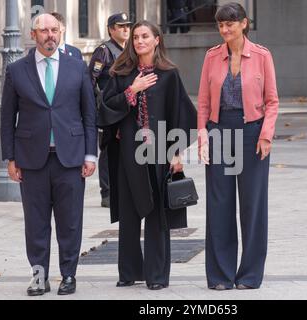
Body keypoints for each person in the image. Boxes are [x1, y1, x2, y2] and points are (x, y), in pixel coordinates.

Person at [0, 14, 97, 296]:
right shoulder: (17, 70)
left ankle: (68, 276)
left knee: (70, 222)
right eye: (44, 30)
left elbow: (89, 115)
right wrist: (10, 157)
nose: (50, 35)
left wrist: (90, 155)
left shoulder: (77, 67)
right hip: (31, 160)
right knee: (36, 223)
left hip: (70, 158)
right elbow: (7, 119)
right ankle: (39, 277)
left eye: (54, 30)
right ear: (33, 35)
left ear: (61, 32)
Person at [97, 20, 196, 290]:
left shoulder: (169, 74)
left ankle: (156, 275)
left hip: (158, 152)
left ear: (156, 40)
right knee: (129, 213)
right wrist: (132, 90)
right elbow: (104, 109)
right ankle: (129, 272)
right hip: (128, 152)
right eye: (136, 37)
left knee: (156, 214)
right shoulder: (121, 72)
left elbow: (183, 113)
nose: (139, 41)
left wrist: (177, 153)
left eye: (145, 36)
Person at [197, 3, 279, 290]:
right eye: (220, 25)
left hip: (252, 134)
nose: (224, 29)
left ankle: (250, 275)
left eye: (230, 24)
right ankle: (220, 276)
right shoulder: (211, 57)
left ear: (244, 23)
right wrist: (203, 134)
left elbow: (272, 101)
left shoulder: (261, 56)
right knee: (219, 205)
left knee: (252, 206)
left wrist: (266, 134)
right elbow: (204, 101)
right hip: (219, 132)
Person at [89, 12, 131, 208]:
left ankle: (121, 189)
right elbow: (90, 80)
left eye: (127, 26)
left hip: (125, 107)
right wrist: (97, 106)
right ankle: (107, 193)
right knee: (107, 152)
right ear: (111, 29)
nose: (125, 29)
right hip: (108, 110)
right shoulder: (104, 51)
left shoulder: (129, 50)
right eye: (121, 26)